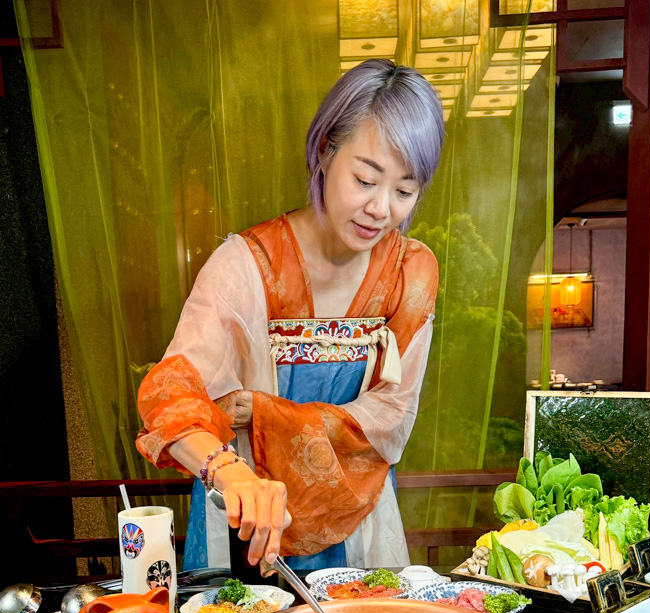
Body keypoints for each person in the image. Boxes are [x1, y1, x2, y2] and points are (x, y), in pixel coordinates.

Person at [136, 59, 444, 570]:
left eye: (404, 191)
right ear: (324, 151)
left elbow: (392, 415)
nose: (381, 209)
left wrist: (260, 411)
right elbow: (171, 394)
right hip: (245, 518)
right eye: (366, 179)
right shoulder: (245, 265)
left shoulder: (408, 272)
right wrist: (228, 470)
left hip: (357, 517)